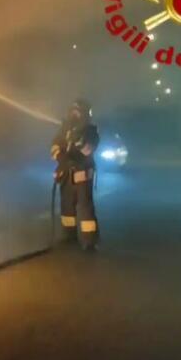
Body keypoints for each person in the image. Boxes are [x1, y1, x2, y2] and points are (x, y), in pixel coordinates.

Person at [51, 98, 101, 250]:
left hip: (82, 174)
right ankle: (69, 236)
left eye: (78, 112)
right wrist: (61, 158)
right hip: (66, 173)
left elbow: (88, 150)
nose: (75, 114)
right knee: (67, 206)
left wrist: (78, 141)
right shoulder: (64, 128)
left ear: (84, 113)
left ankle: (89, 241)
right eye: (73, 111)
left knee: (85, 208)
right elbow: (54, 146)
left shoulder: (91, 130)